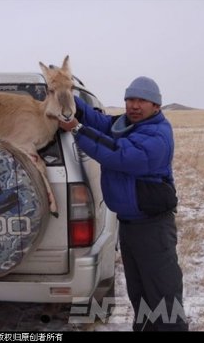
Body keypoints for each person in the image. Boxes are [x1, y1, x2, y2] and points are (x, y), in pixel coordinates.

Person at [59, 76, 189, 331]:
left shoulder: (157, 134)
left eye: (142, 100)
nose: (134, 105)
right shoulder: (127, 124)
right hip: (129, 226)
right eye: (130, 99)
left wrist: (77, 129)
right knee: (140, 293)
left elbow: (120, 154)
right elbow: (100, 121)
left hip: (153, 228)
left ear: (156, 105)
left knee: (163, 296)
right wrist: (64, 94)